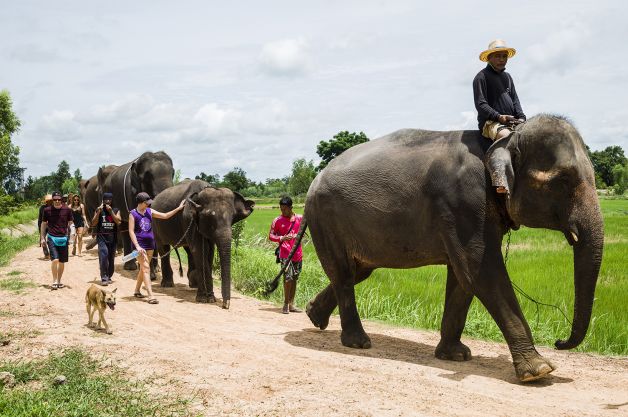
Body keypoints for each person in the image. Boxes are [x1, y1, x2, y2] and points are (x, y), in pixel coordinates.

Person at [473, 39, 526, 194]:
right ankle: (500, 180)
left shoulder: (508, 77)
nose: (502, 59)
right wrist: (498, 116)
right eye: (497, 56)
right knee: (507, 138)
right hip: (491, 123)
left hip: (512, 121)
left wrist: (522, 117)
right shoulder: (481, 77)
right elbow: (481, 104)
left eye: (504, 56)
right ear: (489, 57)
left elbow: (515, 101)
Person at [129, 192, 185, 304]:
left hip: (150, 244)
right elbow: (131, 231)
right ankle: (151, 296)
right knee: (146, 268)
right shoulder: (133, 214)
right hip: (139, 246)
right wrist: (137, 246)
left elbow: (165, 216)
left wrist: (178, 208)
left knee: (143, 268)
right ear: (141, 203)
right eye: (147, 203)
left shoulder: (150, 211)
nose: (149, 204)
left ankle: (136, 290)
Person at [268, 196, 303, 314]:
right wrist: (282, 238)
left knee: (295, 278)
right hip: (285, 254)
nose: (282, 211)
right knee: (288, 278)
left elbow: (304, 231)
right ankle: (286, 304)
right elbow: (271, 236)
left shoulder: (300, 218)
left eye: (285, 209)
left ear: (291, 207)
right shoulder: (277, 220)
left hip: (298, 254)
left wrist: (300, 236)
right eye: (281, 209)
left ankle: (292, 304)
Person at [40, 191, 73, 289]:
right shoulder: (47, 210)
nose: (57, 201)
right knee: (55, 260)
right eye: (55, 199)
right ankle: (54, 281)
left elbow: (71, 223)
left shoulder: (67, 210)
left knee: (62, 262)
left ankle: (59, 281)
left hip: (63, 238)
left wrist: (72, 236)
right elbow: (43, 224)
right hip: (52, 237)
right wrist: (42, 238)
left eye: (59, 199)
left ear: (61, 199)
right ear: (52, 200)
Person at [91, 192, 121, 286]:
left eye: (109, 199)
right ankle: (104, 277)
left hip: (113, 237)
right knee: (104, 256)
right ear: (103, 200)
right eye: (105, 199)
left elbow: (118, 221)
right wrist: (98, 212)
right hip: (102, 237)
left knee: (111, 258)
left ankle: (109, 276)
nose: (107, 201)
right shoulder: (98, 209)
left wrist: (111, 212)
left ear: (112, 200)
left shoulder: (116, 210)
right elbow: (93, 223)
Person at [37, 194, 53, 260]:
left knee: (50, 240)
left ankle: (52, 253)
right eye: (48, 201)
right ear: (46, 201)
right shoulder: (42, 208)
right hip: (43, 225)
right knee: (43, 240)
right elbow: (40, 218)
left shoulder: (54, 207)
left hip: (51, 226)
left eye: (50, 200)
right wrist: (39, 228)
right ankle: (46, 254)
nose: (49, 202)